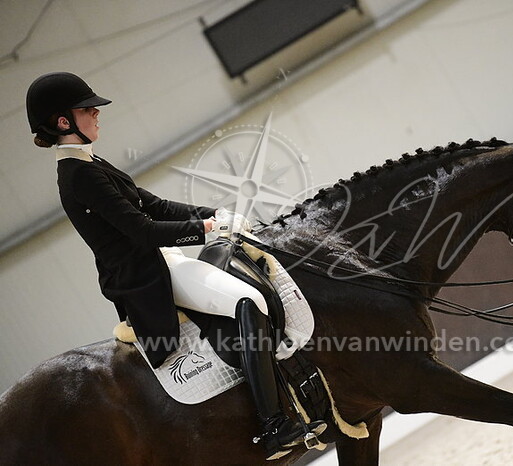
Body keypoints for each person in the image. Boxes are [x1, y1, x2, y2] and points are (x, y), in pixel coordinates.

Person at [25, 71, 324, 460]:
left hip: (161, 260)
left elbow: (155, 205)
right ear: (64, 122)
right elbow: (144, 230)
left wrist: (215, 214)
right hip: (145, 274)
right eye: (87, 109)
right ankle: (274, 425)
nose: (97, 113)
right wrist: (207, 229)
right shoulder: (79, 175)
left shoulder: (90, 163)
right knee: (247, 300)